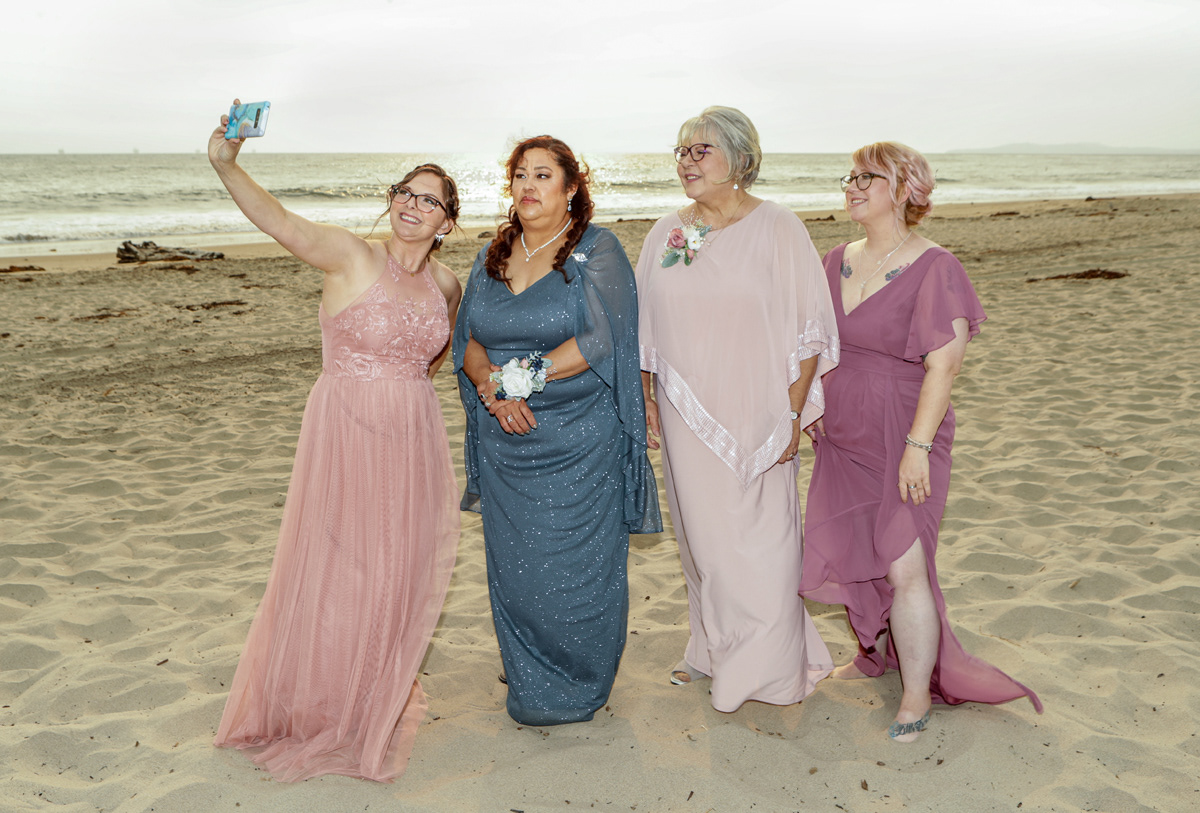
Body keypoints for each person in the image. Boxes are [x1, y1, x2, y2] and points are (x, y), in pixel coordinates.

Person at [208, 100, 463, 781]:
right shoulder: (351, 255)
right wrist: (226, 164)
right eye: (405, 193)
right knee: (339, 565)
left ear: (446, 222)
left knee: (395, 567)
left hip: (411, 438)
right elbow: (281, 222)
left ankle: (372, 689)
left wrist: (403, 394)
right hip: (345, 434)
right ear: (391, 201)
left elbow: (431, 358)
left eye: (430, 200)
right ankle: (321, 700)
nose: (413, 206)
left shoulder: (446, 283)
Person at [800, 141, 1043, 742]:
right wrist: (811, 409)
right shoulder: (834, 260)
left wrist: (917, 447)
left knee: (905, 562)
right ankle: (876, 655)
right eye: (850, 176)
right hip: (843, 434)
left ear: (904, 190)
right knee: (859, 547)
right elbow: (816, 344)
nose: (852, 186)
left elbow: (944, 366)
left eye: (868, 177)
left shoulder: (937, 266)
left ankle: (914, 696)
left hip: (905, 432)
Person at [635, 106, 839, 713]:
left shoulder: (779, 227)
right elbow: (643, 325)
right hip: (685, 411)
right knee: (703, 543)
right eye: (682, 151)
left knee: (760, 543)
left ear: (741, 159)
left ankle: (767, 671)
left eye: (701, 150)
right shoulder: (666, 233)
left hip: (760, 408)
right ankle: (711, 649)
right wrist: (646, 395)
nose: (687, 162)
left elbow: (808, 328)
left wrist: (794, 414)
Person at [453, 135, 661, 726]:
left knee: (576, 570)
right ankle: (527, 675)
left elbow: (604, 337)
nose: (528, 185)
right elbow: (469, 337)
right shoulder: (493, 253)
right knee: (516, 569)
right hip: (505, 441)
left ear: (571, 188)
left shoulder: (597, 249)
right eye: (520, 174)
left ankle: (580, 682)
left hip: (579, 441)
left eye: (543, 175)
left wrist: (520, 380)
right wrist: (493, 392)